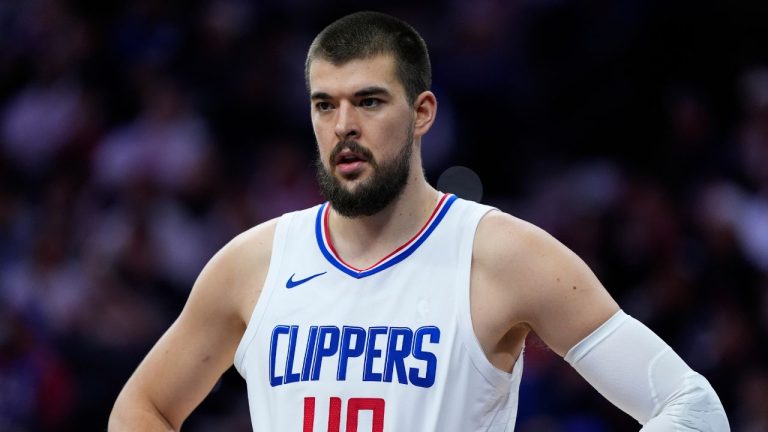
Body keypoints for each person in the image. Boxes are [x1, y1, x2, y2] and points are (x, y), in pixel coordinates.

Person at [109, 11, 730, 431]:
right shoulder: (253, 263)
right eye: (325, 105)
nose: (343, 125)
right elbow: (143, 406)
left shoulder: (503, 255)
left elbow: (692, 407)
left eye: (369, 101)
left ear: (423, 112)